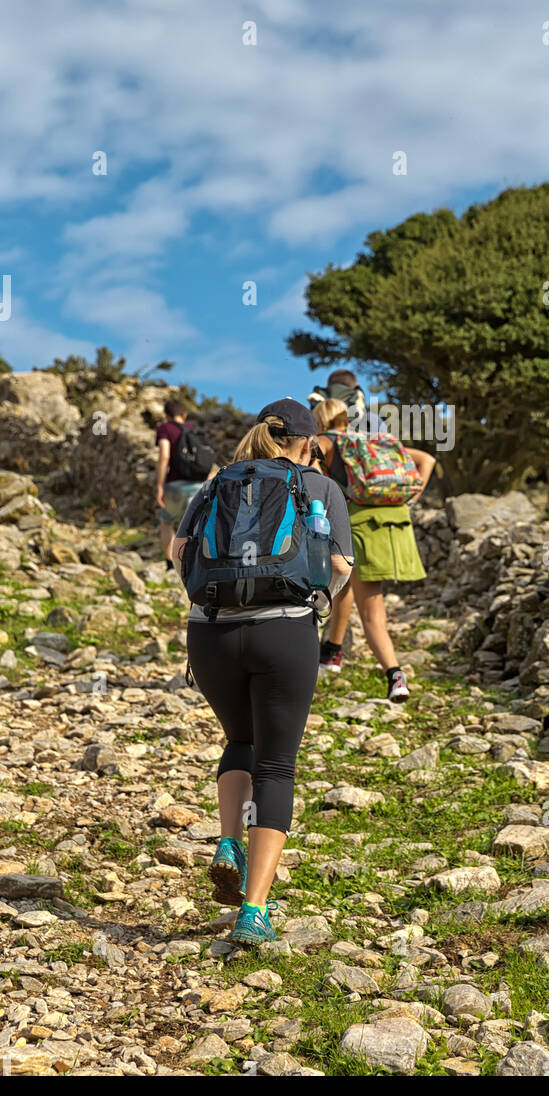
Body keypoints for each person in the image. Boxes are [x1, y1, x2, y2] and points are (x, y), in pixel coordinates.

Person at [171, 398, 353, 947]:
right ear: (306, 442)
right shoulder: (319, 488)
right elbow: (341, 566)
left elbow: (181, 552)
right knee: (276, 765)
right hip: (283, 633)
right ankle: (253, 911)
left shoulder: (214, 484)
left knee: (239, 740)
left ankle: (228, 840)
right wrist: (317, 600)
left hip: (210, 634)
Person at [313, 397, 435, 700]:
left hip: (357, 527)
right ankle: (332, 653)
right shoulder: (372, 442)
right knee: (348, 589)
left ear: (321, 421)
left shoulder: (323, 442)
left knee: (371, 614)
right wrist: (412, 496)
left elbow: (310, 479)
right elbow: (427, 460)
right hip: (390, 525)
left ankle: (395, 676)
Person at [155, 399, 205, 571]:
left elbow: (164, 456)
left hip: (175, 485)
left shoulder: (164, 429)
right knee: (196, 526)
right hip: (199, 484)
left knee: (167, 523)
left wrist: (160, 486)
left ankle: (170, 564)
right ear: (184, 415)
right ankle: (198, 564)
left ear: (166, 415)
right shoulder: (195, 430)